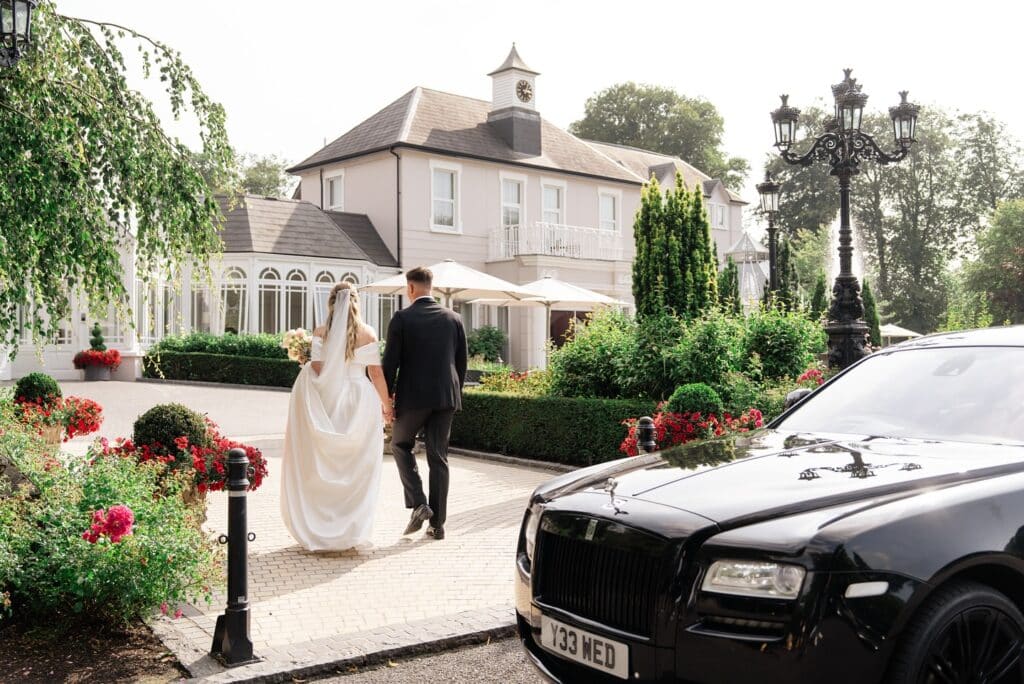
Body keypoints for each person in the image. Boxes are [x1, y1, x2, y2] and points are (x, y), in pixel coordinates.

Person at [280, 282, 393, 551]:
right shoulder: (368, 333)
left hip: (329, 399)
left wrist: (306, 361)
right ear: (356, 303)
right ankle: (351, 529)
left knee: (325, 462)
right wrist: (387, 405)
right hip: (360, 400)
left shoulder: (321, 331)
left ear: (331, 303)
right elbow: (376, 373)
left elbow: (319, 369)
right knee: (358, 465)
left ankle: (322, 526)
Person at [382, 267, 467, 541]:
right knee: (438, 458)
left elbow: (389, 364)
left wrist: (386, 400)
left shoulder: (401, 318)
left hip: (413, 398)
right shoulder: (454, 318)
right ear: (432, 286)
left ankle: (419, 503)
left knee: (400, 445)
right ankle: (437, 525)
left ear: (410, 288)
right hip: (446, 397)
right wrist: (453, 395)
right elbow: (461, 364)